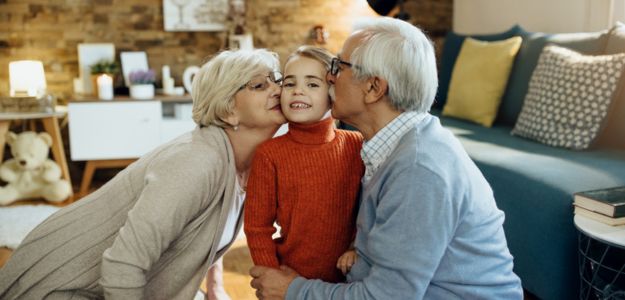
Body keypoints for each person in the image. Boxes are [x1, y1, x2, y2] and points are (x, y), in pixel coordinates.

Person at [249, 17, 523, 300]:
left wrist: (292, 290)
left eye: (338, 67)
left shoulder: (418, 171)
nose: (330, 77)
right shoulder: (389, 147)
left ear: (373, 88)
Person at [0, 48, 286, 300]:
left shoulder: (246, 164)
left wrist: (216, 288)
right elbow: (123, 263)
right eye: (259, 85)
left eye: (276, 79)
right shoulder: (197, 162)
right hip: (60, 286)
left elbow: (209, 229)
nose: (277, 90)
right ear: (228, 111)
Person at [244, 45, 364, 284]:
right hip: (291, 278)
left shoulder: (357, 145)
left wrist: (357, 247)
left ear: (333, 93)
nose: (298, 91)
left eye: (312, 84)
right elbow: (258, 227)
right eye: (289, 84)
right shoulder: (269, 154)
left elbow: (372, 208)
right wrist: (272, 276)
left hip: (350, 279)